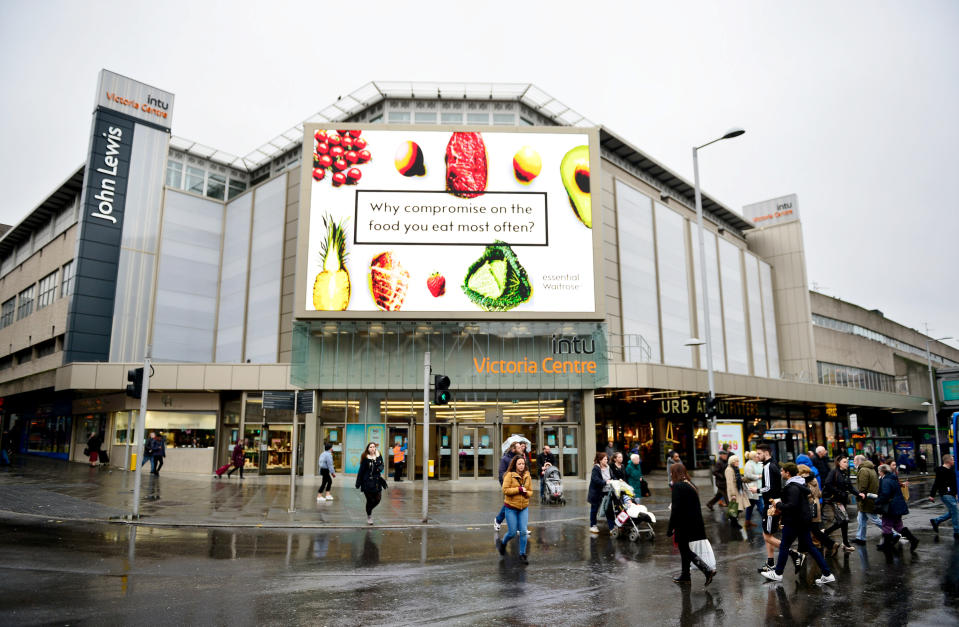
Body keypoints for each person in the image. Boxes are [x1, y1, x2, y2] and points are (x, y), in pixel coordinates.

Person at [760, 462, 835, 585]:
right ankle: (827, 574)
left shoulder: (792, 487)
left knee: (784, 545)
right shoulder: (799, 484)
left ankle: (778, 573)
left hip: (794, 521)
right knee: (810, 547)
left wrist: (778, 504)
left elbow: (792, 506)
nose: (781, 472)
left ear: (788, 473)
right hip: (803, 520)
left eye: (782, 471)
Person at [667, 463, 716, 586]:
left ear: (674, 473)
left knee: (684, 549)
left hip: (683, 523)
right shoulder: (690, 484)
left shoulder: (678, 486)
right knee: (684, 548)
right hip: (694, 522)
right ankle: (685, 575)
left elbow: (676, 509)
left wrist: (670, 527)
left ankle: (706, 569)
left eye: (671, 472)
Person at [757, 443, 803, 574]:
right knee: (767, 534)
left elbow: (768, 488)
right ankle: (770, 562)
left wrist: (757, 489)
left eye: (759, 453)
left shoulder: (768, 466)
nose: (757, 456)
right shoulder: (774, 464)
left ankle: (794, 554)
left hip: (772, 504)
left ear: (766, 453)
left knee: (767, 536)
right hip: (775, 503)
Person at [875, 463, 919, 552]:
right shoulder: (893, 478)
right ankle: (913, 540)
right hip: (897, 506)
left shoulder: (885, 480)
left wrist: (877, 501)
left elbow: (885, 494)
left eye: (879, 471)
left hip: (891, 507)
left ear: (882, 471)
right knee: (898, 526)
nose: (878, 473)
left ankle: (886, 546)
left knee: (886, 525)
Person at [496, 455, 532, 564]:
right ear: (515, 465)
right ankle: (503, 543)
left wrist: (526, 493)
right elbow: (505, 490)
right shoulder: (509, 475)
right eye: (519, 464)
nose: (521, 466)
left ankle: (522, 554)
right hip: (511, 508)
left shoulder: (527, 475)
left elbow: (531, 491)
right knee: (512, 533)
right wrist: (518, 489)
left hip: (523, 508)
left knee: (523, 531)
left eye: (523, 464)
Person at [798, 464, 838, 556]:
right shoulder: (814, 479)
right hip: (816, 505)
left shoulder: (804, 480)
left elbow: (808, 494)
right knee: (812, 529)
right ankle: (803, 548)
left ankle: (831, 544)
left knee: (814, 530)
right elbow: (819, 493)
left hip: (809, 506)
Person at [821, 455, 856, 552]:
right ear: (839, 463)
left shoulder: (844, 473)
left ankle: (828, 534)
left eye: (847, 462)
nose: (847, 464)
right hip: (836, 500)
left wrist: (858, 494)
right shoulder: (834, 472)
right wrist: (839, 492)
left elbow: (850, 487)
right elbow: (827, 483)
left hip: (842, 500)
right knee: (843, 520)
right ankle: (828, 534)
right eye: (844, 462)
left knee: (842, 521)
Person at [852, 454, 881, 545]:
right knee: (861, 519)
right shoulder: (871, 469)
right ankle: (860, 538)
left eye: (855, 461)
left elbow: (862, 486)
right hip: (869, 498)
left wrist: (859, 495)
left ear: (859, 461)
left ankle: (893, 533)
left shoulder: (863, 470)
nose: (853, 462)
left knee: (874, 519)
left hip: (866, 499)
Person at [929, 454, 959, 540]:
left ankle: (936, 521)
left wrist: (956, 493)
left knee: (952, 512)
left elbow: (954, 484)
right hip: (946, 494)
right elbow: (936, 483)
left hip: (952, 494)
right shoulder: (941, 471)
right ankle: (957, 532)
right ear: (948, 461)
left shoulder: (951, 470)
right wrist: (932, 495)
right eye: (952, 459)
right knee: (955, 511)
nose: (954, 461)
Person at [355, 442, 385, 525]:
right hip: (366, 482)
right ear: (368, 449)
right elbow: (361, 471)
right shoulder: (365, 458)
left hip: (377, 481)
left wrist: (379, 468)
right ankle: (369, 516)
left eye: (373, 447)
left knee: (378, 499)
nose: (372, 448)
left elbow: (382, 465)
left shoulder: (378, 456)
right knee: (370, 500)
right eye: (370, 447)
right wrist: (358, 482)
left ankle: (369, 510)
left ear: (375, 448)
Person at [494, 442, 521, 531]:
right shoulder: (505, 459)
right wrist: (504, 486)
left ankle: (518, 527)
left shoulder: (519, 458)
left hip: (518, 485)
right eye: (519, 447)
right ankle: (498, 520)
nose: (521, 448)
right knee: (510, 505)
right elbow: (501, 473)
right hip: (509, 486)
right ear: (513, 449)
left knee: (516, 504)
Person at [587, 452, 614, 533]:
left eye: (607, 459)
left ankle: (612, 528)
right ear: (600, 460)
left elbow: (612, 477)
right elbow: (595, 480)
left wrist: (616, 479)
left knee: (609, 509)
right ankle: (593, 525)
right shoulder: (596, 468)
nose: (607, 460)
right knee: (594, 509)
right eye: (605, 459)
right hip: (596, 492)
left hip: (607, 492)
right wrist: (605, 482)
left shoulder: (608, 467)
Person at [725, 454, 749, 528]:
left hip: (738, 489)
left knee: (738, 507)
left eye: (738, 461)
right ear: (732, 462)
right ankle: (734, 523)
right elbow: (730, 483)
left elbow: (738, 478)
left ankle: (733, 521)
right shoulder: (729, 470)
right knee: (735, 508)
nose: (738, 462)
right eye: (736, 461)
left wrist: (746, 479)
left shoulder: (735, 468)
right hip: (734, 491)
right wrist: (733, 495)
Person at [743, 450, 763, 527]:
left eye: (758, 455)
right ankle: (768, 522)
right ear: (752, 457)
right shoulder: (749, 464)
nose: (758, 456)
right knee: (761, 506)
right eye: (756, 456)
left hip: (758, 487)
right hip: (753, 488)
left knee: (750, 506)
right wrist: (759, 476)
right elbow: (748, 475)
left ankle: (747, 522)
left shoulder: (758, 463)